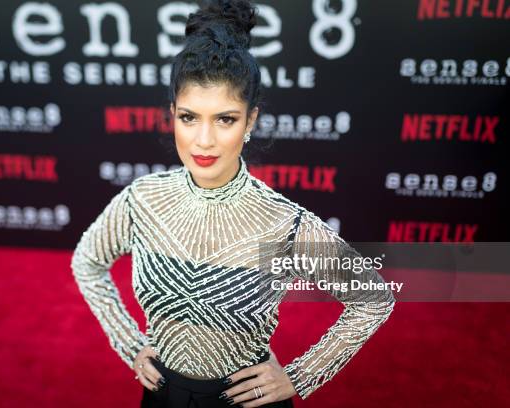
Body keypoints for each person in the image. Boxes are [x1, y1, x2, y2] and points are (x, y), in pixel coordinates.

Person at [70, 1, 396, 407]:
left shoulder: (283, 222)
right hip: (162, 397)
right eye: (189, 117)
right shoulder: (142, 200)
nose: (203, 140)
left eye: (224, 119)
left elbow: (372, 297)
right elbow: (87, 262)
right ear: (172, 114)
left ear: (250, 121)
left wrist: (300, 376)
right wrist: (128, 342)